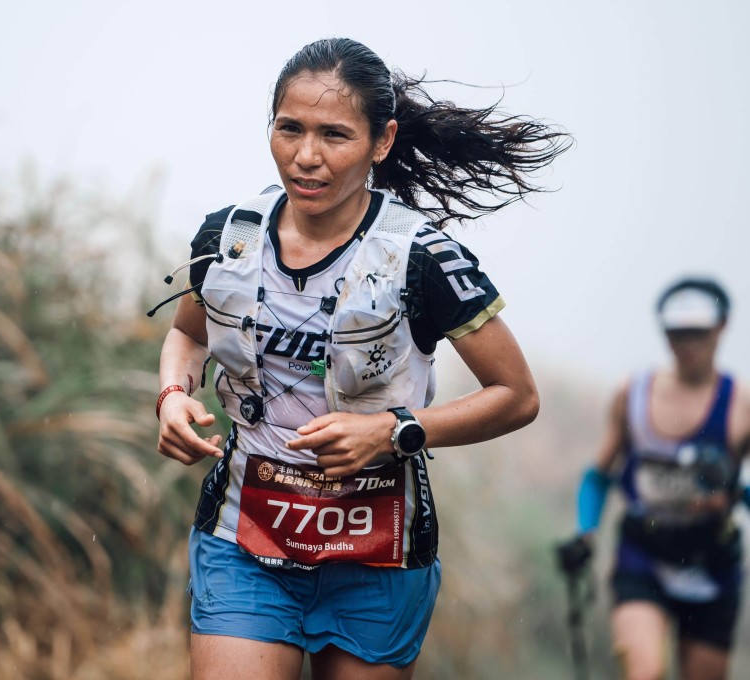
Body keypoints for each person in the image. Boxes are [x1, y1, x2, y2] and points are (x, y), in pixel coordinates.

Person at [154, 38, 571, 680]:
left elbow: (517, 396)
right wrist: (173, 396)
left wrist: (392, 431)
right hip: (246, 539)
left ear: (382, 141)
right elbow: (188, 334)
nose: (306, 156)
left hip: (377, 550)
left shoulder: (421, 258)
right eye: (289, 129)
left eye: (335, 135)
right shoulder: (230, 237)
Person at [567, 277, 750, 680]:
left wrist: (734, 492)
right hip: (643, 555)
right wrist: (585, 532)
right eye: (676, 332)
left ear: (721, 328)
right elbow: (599, 475)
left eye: (697, 332)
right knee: (646, 672)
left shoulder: (741, 405)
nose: (686, 343)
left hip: (713, 564)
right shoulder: (632, 394)